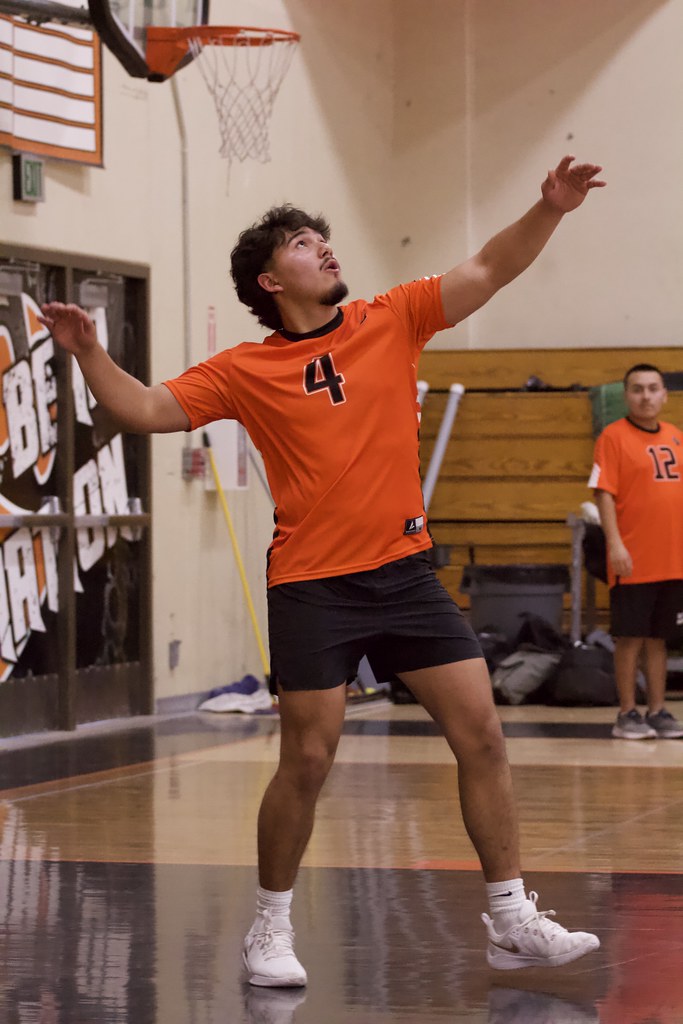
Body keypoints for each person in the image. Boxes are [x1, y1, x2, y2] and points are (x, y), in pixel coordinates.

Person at [39, 154, 604, 987]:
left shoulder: (393, 317)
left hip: (407, 572)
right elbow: (149, 409)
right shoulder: (243, 368)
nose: (327, 249)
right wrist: (88, 353)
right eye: (307, 244)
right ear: (271, 280)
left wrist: (547, 208)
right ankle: (268, 926)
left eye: (324, 239)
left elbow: (488, 267)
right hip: (312, 584)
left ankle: (510, 915)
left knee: (482, 735)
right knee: (306, 759)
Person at [589, 364, 683, 740]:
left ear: (664, 394)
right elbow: (604, 493)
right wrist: (615, 543)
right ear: (626, 395)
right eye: (637, 389)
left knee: (659, 638)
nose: (646, 396)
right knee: (630, 637)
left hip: (672, 558)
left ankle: (658, 711)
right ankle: (627, 713)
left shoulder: (676, 437)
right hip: (633, 557)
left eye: (653, 388)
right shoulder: (612, 437)